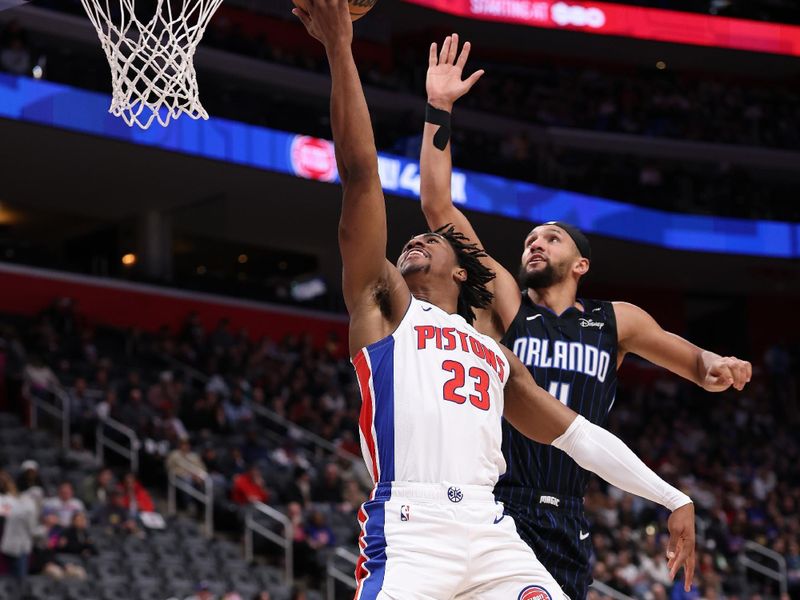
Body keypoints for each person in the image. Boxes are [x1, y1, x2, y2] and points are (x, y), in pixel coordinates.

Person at [292, 3, 695, 598]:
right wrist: (340, 48)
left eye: (428, 239)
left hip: (490, 530)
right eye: (412, 239)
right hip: (412, 528)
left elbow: (577, 434)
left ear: (462, 271)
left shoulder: (494, 352)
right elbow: (359, 174)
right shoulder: (384, 307)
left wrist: (672, 495)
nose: (413, 241)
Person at [417, 34, 753, 600]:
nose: (535, 244)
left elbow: (695, 363)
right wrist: (439, 108)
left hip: (569, 514)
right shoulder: (506, 301)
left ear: (582, 263)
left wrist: (718, 364)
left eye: (551, 237)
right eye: (529, 238)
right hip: (497, 502)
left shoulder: (615, 319)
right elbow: (437, 205)